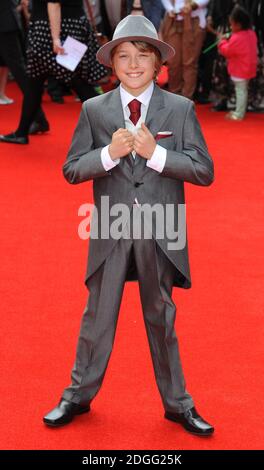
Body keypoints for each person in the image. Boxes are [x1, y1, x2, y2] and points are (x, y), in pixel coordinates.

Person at [43, 15, 215, 436]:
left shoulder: (180, 108)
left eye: (143, 56)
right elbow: (70, 168)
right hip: (110, 228)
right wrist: (109, 153)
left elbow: (204, 170)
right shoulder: (93, 109)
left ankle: (178, 404)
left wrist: (157, 155)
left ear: (158, 64)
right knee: (97, 317)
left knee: (162, 317)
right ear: (112, 63)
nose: (133, 64)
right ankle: (77, 395)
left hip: (162, 227)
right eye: (124, 56)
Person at [0, 0, 107, 145]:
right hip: (69, 25)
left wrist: (55, 38)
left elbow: (54, 3)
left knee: (79, 84)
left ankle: (113, 127)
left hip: (52, 31)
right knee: (35, 82)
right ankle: (23, 131)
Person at [160, 0, 209, 99]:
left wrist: (192, 5)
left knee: (189, 62)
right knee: (173, 61)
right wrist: (170, 9)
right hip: (173, 19)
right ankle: (174, 96)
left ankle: (187, 99)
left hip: (194, 20)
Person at [218, 5, 257, 120]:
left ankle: (239, 114)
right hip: (248, 67)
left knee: (240, 91)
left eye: (232, 24)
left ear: (239, 25)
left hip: (240, 70)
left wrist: (221, 42)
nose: (230, 27)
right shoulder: (251, 33)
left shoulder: (236, 38)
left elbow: (227, 51)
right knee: (243, 90)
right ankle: (240, 110)